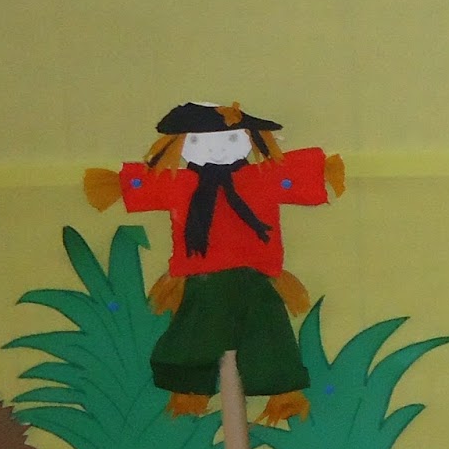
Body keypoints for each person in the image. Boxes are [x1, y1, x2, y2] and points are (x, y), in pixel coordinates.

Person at [85, 101, 344, 424]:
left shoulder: (260, 178)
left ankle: (283, 395)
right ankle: (189, 393)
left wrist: (323, 170)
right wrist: (119, 183)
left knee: (268, 330)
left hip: (256, 275)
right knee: (194, 333)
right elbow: (140, 183)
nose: (217, 149)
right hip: (200, 278)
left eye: (231, 138)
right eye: (199, 140)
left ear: (251, 138)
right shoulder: (180, 183)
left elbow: (302, 173)